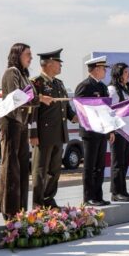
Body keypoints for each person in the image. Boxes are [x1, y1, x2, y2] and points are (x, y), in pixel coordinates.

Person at [0, 42, 48, 219]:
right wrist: (39, 98)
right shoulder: (11, 72)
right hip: (11, 123)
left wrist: (37, 98)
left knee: (22, 168)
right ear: (17, 55)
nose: (31, 58)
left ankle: (20, 210)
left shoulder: (24, 75)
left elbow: (31, 98)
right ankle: (9, 210)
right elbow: (17, 97)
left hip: (22, 124)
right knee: (11, 167)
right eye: (28, 54)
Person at [29, 48, 77, 209]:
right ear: (49, 64)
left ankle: (49, 199)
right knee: (40, 170)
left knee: (55, 170)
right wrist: (33, 134)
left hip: (59, 133)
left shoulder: (59, 83)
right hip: (43, 135)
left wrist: (77, 117)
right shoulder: (36, 83)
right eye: (58, 62)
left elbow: (66, 108)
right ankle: (38, 204)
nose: (61, 66)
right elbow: (32, 111)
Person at [74, 56, 114, 206]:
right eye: (103, 69)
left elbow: (107, 110)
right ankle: (88, 197)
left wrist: (110, 130)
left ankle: (98, 195)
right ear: (96, 69)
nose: (105, 72)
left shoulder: (103, 87)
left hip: (102, 132)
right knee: (90, 166)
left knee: (100, 166)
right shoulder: (84, 86)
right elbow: (80, 109)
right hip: (90, 132)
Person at [108, 62, 129, 202]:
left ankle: (123, 190)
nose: (128, 74)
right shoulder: (112, 89)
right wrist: (111, 130)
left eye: (128, 72)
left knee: (125, 162)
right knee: (118, 163)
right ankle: (116, 192)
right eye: (125, 72)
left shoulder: (128, 88)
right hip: (118, 131)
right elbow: (110, 111)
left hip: (128, 131)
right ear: (118, 74)